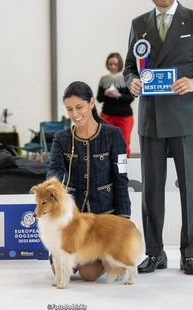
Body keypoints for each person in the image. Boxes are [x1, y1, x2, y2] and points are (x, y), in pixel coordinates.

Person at [123, 0, 193, 275]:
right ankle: (154, 253)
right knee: (151, 190)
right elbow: (129, 67)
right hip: (151, 119)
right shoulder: (139, 24)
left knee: (190, 188)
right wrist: (132, 82)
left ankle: (189, 253)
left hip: (185, 119)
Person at [46, 81, 131, 281]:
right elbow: (56, 168)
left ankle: (111, 259)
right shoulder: (61, 138)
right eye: (69, 109)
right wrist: (51, 184)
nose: (74, 114)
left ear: (91, 103)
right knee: (56, 270)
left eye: (79, 107)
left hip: (100, 223)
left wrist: (123, 222)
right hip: (72, 222)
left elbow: (121, 180)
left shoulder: (113, 135)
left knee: (89, 274)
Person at [97, 53, 135, 157]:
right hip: (107, 116)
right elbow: (98, 98)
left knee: (124, 142)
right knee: (106, 143)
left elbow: (131, 98)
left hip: (125, 116)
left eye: (115, 64)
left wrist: (119, 95)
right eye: (110, 64)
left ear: (120, 64)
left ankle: (125, 166)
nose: (113, 67)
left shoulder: (126, 78)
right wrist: (105, 94)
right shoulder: (104, 80)